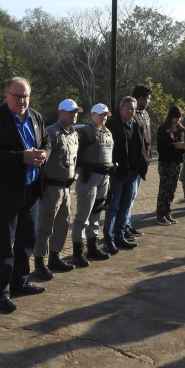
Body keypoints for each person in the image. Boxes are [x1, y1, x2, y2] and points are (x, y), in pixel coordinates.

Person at [0, 77, 50, 313]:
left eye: (25, 96)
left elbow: (47, 140)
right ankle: (0, 293)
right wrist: (22, 157)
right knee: (4, 246)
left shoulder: (36, 116)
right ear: (6, 95)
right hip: (4, 194)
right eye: (16, 96)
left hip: (30, 190)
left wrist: (44, 154)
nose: (21, 101)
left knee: (27, 240)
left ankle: (20, 282)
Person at [32, 99, 82, 280]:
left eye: (76, 111)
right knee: (45, 226)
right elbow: (40, 159)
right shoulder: (52, 133)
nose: (74, 114)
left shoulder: (73, 134)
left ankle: (55, 257)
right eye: (70, 111)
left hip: (66, 187)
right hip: (51, 187)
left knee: (63, 225)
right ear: (60, 113)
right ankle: (39, 262)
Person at [102, 96, 151, 253]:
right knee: (113, 206)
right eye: (127, 108)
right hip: (117, 174)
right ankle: (108, 240)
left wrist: (145, 161)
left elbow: (146, 144)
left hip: (133, 172)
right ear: (120, 109)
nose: (130, 111)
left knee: (125, 206)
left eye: (133, 108)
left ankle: (119, 236)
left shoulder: (139, 124)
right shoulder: (111, 125)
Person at [71, 104, 116, 264]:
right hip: (89, 179)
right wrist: (77, 173)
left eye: (105, 115)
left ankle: (92, 247)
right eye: (100, 114)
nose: (103, 117)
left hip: (104, 179)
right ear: (92, 115)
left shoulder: (107, 132)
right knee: (82, 216)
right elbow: (75, 155)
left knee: (96, 215)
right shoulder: (86, 132)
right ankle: (77, 252)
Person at [125, 84, 152, 240]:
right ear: (140, 99)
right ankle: (123, 227)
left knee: (132, 197)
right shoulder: (131, 115)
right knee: (127, 198)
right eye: (148, 98)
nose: (149, 102)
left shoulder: (145, 115)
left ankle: (127, 224)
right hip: (132, 165)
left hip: (142, 163)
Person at [155, 106, 185, 225]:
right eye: (176, 117)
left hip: (176, 163)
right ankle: (160, 214)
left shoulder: (180, 130)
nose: (178, 119)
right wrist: (175, 145)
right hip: (165, 163)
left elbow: (181, 146)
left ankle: (167, 212)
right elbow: (161, 149)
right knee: (164, 189)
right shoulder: (163, 129)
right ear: (171, 116)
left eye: (180, 117)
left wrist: (184, 148)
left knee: (172, 188)